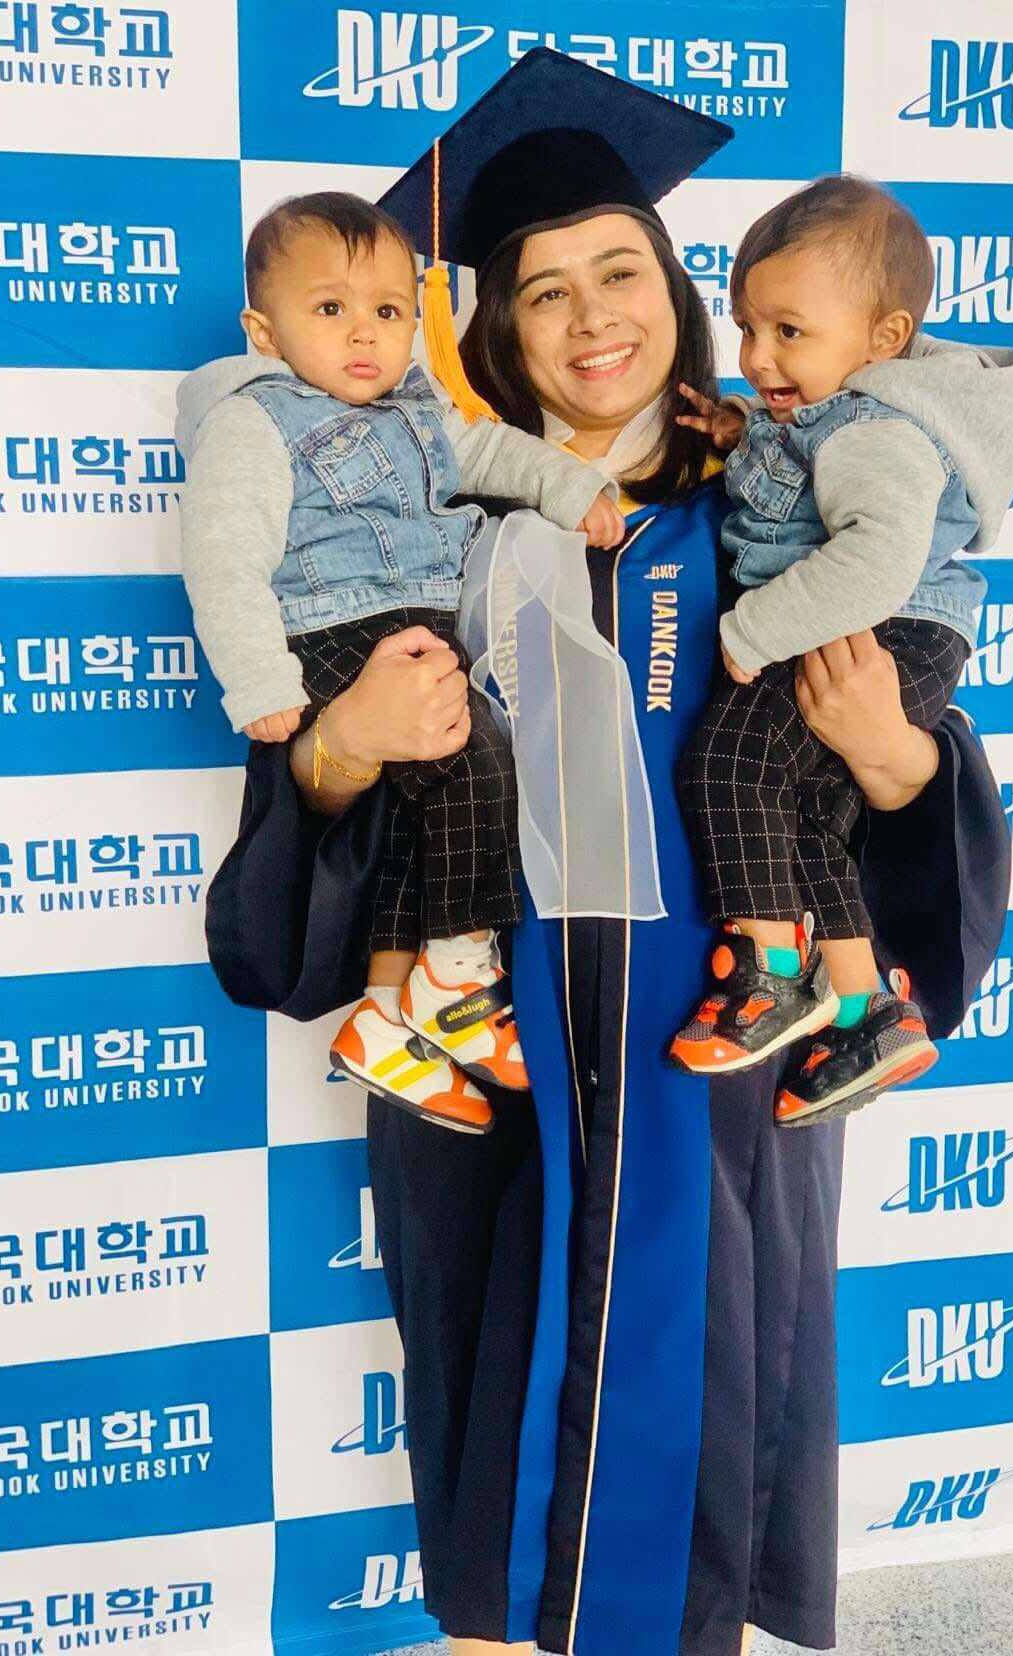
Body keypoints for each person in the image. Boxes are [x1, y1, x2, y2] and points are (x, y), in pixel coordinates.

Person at [206, 49, 1010, 1656]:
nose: (590, 319)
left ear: (680, 293)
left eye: (620, 272)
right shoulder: (409, 531)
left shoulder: (784, 505)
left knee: (705, 1463)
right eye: (541, 289)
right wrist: (343, 743)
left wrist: (888, 751)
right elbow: (283, 892)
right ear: (490, 329)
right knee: (495, 1495)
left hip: (723, 1078)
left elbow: (917, 818)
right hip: (491, 1085)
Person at [177, 190, 622, 1131]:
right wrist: (259, 679)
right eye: (329, 308)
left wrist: (571, 484)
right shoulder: (256, 421)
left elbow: (492, 453)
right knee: (472, 755)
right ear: (263, 331)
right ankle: (458, 978)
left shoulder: (417, 406)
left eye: (387, 310)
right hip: (335, 627)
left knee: (423, 817)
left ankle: (386, 1014)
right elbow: (223, 557)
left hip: (417, 624)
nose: (363, 333)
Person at [670, 176, 1013, 1126]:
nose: (757, 356)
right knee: (804, 812)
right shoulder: (836, 414)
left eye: (789, 331)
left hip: (880, 628)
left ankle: (768, 976)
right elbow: (808, 471)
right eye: (747, 328)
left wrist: (751, 631)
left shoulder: (878, 427)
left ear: (885, 338)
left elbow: (874, 555)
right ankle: (864, 1008)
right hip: (893, 629)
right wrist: (745, 433)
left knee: (730, 760)